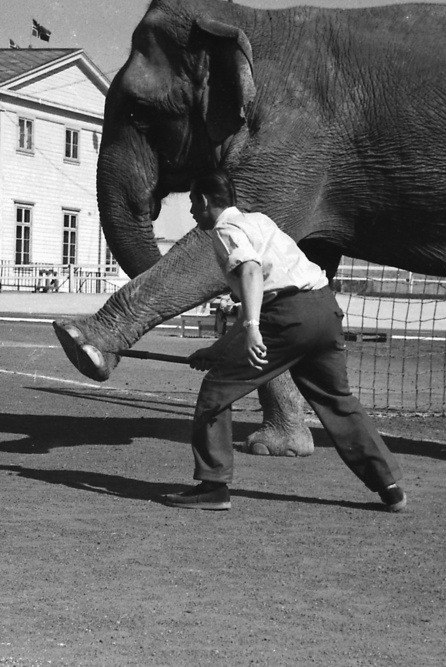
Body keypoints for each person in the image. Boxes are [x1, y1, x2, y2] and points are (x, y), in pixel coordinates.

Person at [162, 169, 406, 512]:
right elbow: (262, 288)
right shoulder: (259, 221)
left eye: (191, 203)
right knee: (337, 400)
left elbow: (249, 272)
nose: (190, 212)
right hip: (324, 309)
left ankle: (213, 486)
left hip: (288, 319)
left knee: (215, 393)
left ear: (204, 201)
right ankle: (389, 485)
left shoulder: (224, 230)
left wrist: (251, 327)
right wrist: (217, 350)